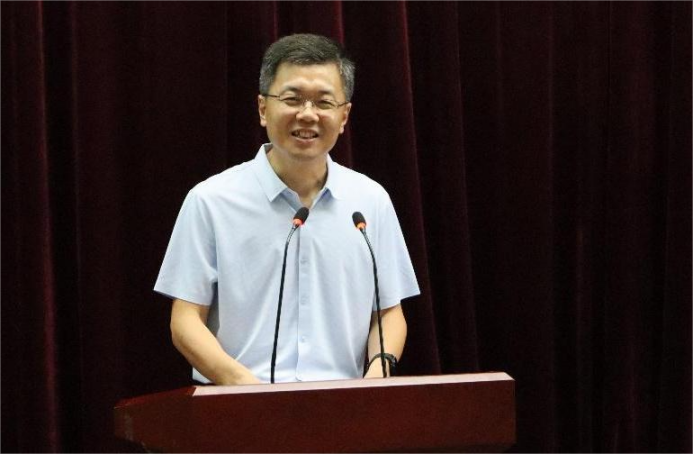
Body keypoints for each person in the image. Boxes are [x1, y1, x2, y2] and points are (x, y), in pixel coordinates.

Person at [154, 34, 419, 385]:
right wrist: (248, 390)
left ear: (344, 116)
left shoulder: (370, 201)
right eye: (292, 99)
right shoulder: (211, 201)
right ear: (263, 108)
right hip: (238, 402)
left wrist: (374, 379)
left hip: (343, 403)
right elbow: (185, 320)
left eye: (324, 102)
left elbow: (388, 313)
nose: (307, 115)